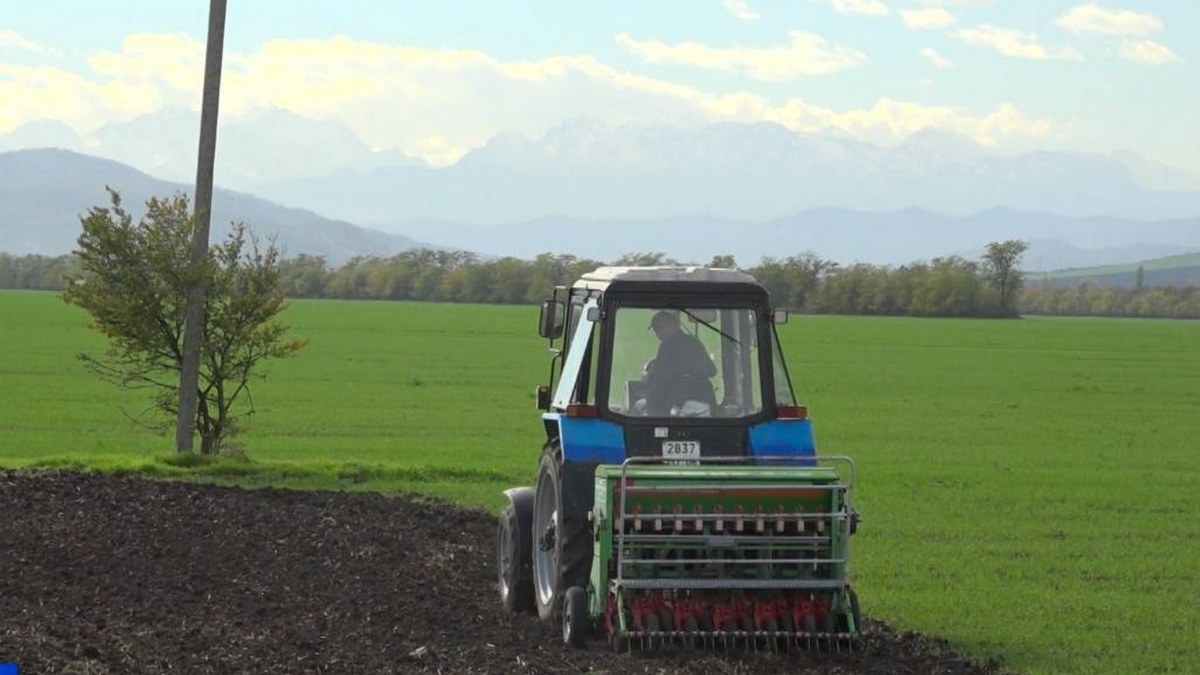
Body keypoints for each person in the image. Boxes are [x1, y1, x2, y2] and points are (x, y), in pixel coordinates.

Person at [642, 310, 717, 416]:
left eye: (659, 328)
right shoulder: (695, 343)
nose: (658, 333)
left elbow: (662, 376)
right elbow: (712, 370)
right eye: (655, 330)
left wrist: (648, 374)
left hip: (679, 402)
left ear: (672, 325)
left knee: (643, 405)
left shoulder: (667, 346)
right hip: (704, 398)